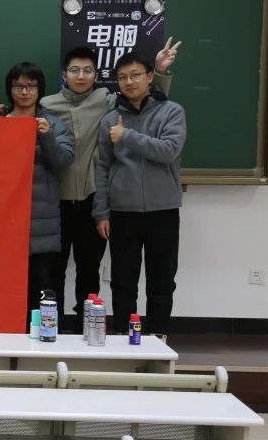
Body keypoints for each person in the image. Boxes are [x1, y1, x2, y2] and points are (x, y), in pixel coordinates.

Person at [43, 39, 179, 329]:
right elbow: (20, 117)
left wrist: (160, 71)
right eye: (74, 70)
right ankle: (59, 331)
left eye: (88, 71)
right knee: (61, 273)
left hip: (107, 201)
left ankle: (100, 330)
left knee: (99, 273)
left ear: (97, 75)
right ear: (64, 74)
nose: (81, 76)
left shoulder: (110, 103)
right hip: (63, 201)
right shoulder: (48, 106)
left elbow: (150, 102)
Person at [93, 52, 187, 336]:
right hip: (122, 212)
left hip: (163, 211)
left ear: (149, 77)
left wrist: (127, 136)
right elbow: (102, 167)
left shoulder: (171, 111)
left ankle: (158, 337)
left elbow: (169, 150)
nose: (129, 82)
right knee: (123, 282)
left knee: (162, 281)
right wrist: (101, 212)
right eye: (122, 77)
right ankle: (124, 337)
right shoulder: (110, 119)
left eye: (135, 75)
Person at [1, 62, 73, 320]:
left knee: (42, 289)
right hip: (5, 223)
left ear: (39, 89)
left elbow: (63, 162)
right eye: (18, 86)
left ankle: (43, 338)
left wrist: (47, 136)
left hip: (42, 225)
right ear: (10, 89)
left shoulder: (53, 124)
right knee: (5, 290)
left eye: (31, 86)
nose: (24, 92)